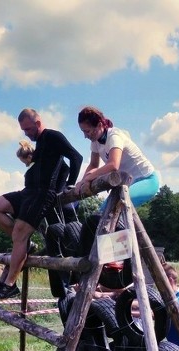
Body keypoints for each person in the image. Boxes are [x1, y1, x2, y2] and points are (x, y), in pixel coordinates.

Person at [0, 108, 83, 301]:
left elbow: (76, 157)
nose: (26, 134)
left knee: (20, 232)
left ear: (38, 123)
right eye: (23, 130)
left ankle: (9, 285)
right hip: (27, 193)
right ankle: (24, 244)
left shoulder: (53, 136)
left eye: (28, 129)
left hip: (42, 194)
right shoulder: (40, 145)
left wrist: (69, 185)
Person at [74, 106, 159, 267]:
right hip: (126, 184)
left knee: (116, 208)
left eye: (88, 131)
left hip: (146, 180)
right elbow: (93, 165)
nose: (86, 136)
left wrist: (91, 177)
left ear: (100, 125)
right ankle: (107, 259)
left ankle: (122, 256)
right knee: (101, 213)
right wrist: (82, 181)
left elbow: (113, 165)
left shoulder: (114, 136)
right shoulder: (96, 143)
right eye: (83, 132)